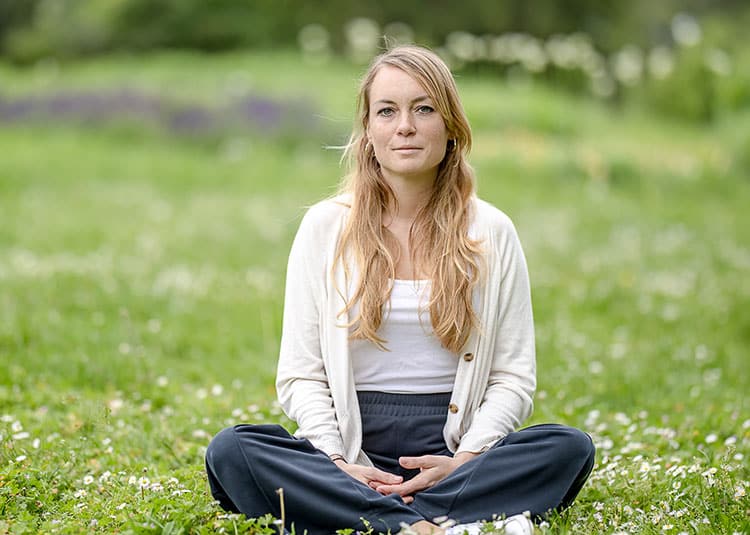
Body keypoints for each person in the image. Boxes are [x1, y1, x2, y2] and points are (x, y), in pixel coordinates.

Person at [205, 45, 595, 535]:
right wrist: (336, 460)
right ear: (368, 131)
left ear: (451, 126)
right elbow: (302, 375)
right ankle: (418, 524)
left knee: (568, 448)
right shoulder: (326, 227)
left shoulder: (492, 231)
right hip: (349, 443)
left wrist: (466, 458)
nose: (404, 126)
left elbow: (512, 376)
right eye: (387, 111)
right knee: (233, 450)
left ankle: (365, 515)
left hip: (451, 451)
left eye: (423, 109)